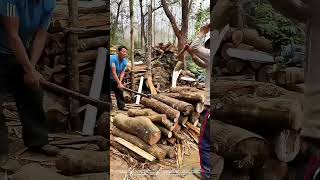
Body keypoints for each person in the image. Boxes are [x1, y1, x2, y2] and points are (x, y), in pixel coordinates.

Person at [0, 0, 58, 166]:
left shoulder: (48, 3)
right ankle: (1, 150)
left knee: (33, 91)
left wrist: (31, 68)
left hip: (18, 51)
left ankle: (37, 140)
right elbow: (12, 35)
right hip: (3, 48)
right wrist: (29, 70)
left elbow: (41, 34)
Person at [110, 45, 128, 110]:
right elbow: (113, 72)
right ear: (118, 52)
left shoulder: (125, 62)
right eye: (123, 51)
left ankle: (121, 106)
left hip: (114, 78)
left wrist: (119, 83)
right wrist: (119, 83)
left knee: (119, 90)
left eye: (126, 52)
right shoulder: (113, 59)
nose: (125, 53)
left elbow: (122, 72)